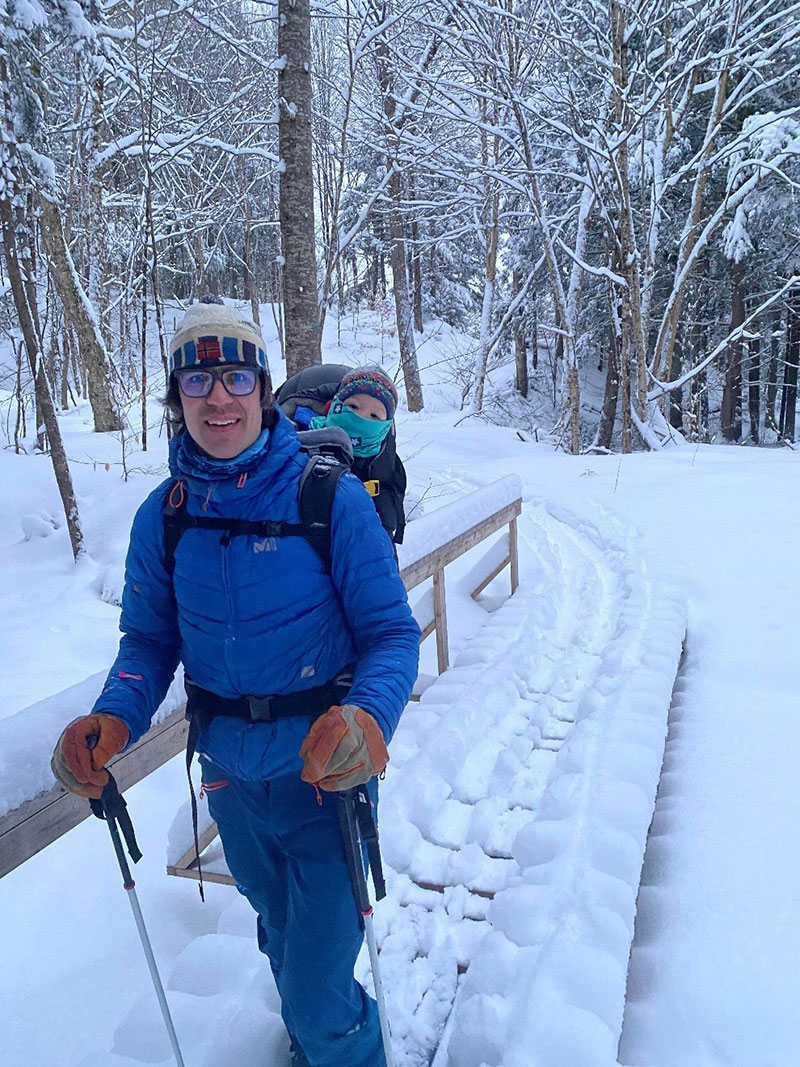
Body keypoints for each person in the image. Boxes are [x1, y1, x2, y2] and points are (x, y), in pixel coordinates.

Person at [50, 297, 420, 1067]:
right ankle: (319, 1045)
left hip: (327, 778)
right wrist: (113, 718)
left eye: (234, 376)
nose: (218, 397)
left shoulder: (330, 498)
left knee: (317, 987)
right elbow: (148, 642)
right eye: (197, 381)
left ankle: (338, 1044)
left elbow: (390, 634)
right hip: (230, 785)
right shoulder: (165, 517)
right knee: (283, 941)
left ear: (260, 386)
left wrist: (368, 719)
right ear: (176, 399)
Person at [276, 365, 406, 546]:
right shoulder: (297, 440)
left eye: (374, 415)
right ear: (333, 406)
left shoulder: (383, 463)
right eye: (353, 406)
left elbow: (385, 529)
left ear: (385, 427)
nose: (360, 417)